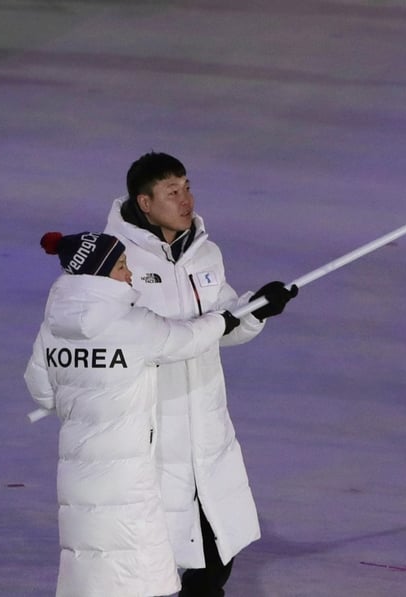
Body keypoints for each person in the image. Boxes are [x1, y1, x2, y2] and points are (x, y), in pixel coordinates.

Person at [104, 152, 297, 596]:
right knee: (146, 567)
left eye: (187, 186)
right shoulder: (117, 262)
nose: (186, 199)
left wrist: (255, 310)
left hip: (206, 431)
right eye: (172, 192)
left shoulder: (205, 251)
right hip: (151, 434)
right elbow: (141, 341)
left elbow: (220, 325)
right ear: (145, 203)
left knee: (215, 561)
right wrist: (221, 323)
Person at [23, 231, 247, 597]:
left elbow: (41, 389)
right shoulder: (132, 324)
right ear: (100, 274)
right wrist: (226, 320)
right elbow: (186, 338)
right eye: (123, 266)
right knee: (135, 571)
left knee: (91, 564)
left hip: (78, 474)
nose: (130, 275)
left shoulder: (52, 329)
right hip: (129, 475)